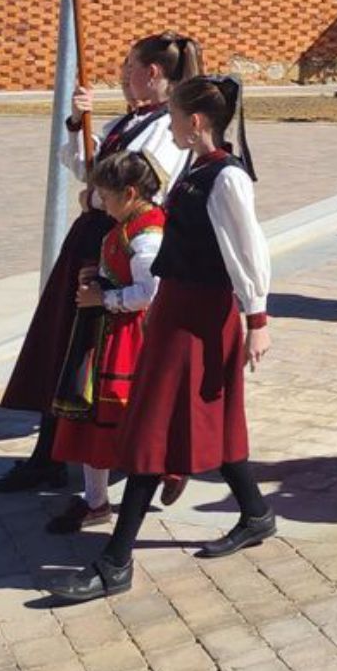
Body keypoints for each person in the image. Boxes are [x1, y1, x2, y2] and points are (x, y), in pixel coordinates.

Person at [47, 76, 273, 602]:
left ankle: (115, 561)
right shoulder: (193, 167)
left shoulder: (227, 177)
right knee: (205, 417)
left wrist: (257, 319)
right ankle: (257, 513)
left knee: (151, 428)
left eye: (172, 116)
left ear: (196, 123)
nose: (166, 124)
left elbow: (249, 249)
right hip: (176, 308)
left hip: (199, 313)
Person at [0, 33, 198, 496]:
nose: (123, 76)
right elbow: (86, 169)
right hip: (92, 240)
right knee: (64, 345)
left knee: (97, 357)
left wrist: (99, 191)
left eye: (128, 68)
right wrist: (78, 123)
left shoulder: (166, 129)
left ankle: (146, 456)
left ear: (153, 73)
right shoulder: (132, 121)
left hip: (120, 248)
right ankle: (50, 454)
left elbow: (134, 186)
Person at [45, 152, 167, 534]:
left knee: (119, 422)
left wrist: (106, 298)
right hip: (105, 336)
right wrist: (97, 277)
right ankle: (95, 500)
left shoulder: (147, 235)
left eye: (107, 196)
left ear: (130, 193)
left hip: (128, 342)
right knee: (88, 422)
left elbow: (149, 292)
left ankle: (161, 471)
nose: (102, 204)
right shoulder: (127, 224)